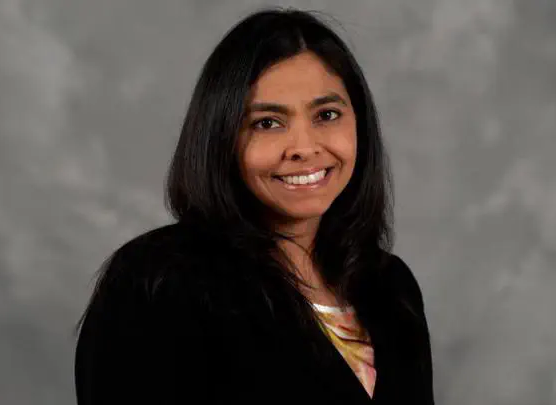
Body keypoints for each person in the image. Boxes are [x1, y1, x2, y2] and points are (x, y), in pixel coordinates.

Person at [74, 8, 435, 405]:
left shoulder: (390, 288)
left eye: (327, 115)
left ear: (359, 125)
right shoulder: (159, 284)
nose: (304, 148)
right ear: (222, 137)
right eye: (267, 123)